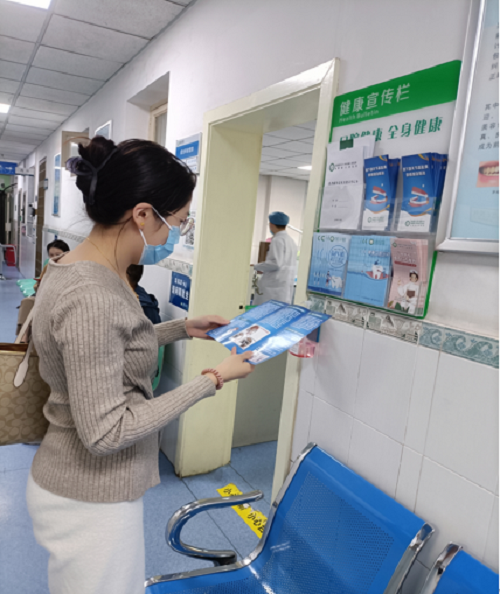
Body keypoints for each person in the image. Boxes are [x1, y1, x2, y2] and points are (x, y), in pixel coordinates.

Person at [27, 136, 254, 594]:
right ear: (143, 215)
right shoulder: (92, 295)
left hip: (83, 488)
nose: (175, 235)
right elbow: (106, 433)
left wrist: (182, 328)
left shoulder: (78, 266)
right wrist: (212, 379)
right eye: (178, 222)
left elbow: (106, 345)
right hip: (88, 497)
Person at [253, 211, 297, 305]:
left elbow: (275, 264)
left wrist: (256, 266)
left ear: (271, 224)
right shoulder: (291, 241)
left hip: (272, 289)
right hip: (284, 288)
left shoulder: (277, 240)